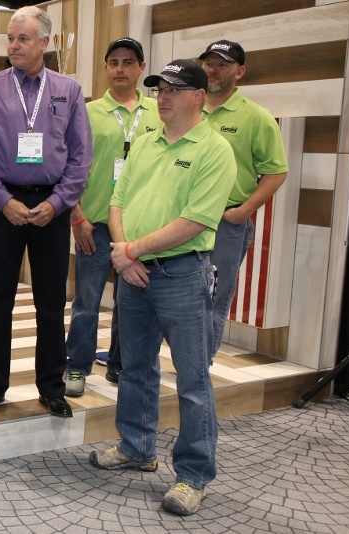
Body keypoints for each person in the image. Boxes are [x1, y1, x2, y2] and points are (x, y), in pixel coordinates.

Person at [88, 60, 236, 516]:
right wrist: (123, 251)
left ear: (199, 95)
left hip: (182, 275)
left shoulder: (214, 150)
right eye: (159, 88)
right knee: (135, 367)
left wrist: (130, 252)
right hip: (134, 273)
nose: (162, 95)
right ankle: (136, 447)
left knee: (192, 379)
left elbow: (194, 222)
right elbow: (117, 199)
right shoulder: (148, 141)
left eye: (174, 88)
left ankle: (194, 476)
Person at [0, 6, 92, 418]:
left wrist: (57, 204)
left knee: (51, 303)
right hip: (5, 206)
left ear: (45, 43)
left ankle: (51, 387)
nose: (14, 46)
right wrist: (4, 201)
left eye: (22, 38)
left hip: (52, 209)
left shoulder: (68, 91)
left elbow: (80, 157)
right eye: (10, 38)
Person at [63, 37, 161, 397]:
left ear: (141, 69)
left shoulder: (157, 114)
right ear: (106, 68)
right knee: (87, 300)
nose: (121, 69)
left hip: (140, 227)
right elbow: (69, 168)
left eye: (128, 62)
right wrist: (76, 217)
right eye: (114, 62)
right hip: (94, 224)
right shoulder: (87, 113)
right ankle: (76, 366)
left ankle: (120, 364)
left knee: (131, 302)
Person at [198, 40, 288, 357]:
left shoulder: (255, 117)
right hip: (181, 219)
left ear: (240, 71)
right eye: (209, 62)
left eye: (222, 64)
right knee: (179, 292)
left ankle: (198, 369)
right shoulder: (187, 108)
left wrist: (244, 211)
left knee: (212, 295)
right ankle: (184, 359)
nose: (213, 69)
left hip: (225, 222)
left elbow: (276, 172)